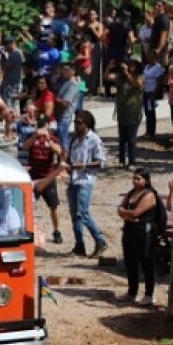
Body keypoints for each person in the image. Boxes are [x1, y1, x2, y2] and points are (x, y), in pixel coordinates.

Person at [116, 168, 161, 306]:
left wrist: (127, 213)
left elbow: (136, 213)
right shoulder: (131, 193)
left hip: (144, 232)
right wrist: (126, 213)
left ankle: (149, 294)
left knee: (146, 262)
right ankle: (132, 292)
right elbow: (120, 209)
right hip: (130, 230)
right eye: (134, 178)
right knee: (130, 261)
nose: (135, 181)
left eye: (138, 179)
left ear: (146, 180)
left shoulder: (149, 195)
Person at [66, 110, 107, 258]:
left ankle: (100, 240)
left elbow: (101, 162)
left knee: (83, 212)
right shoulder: (73, 140)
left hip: (86, 180)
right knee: (74, 215)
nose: (76, 125)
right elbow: (69, 158)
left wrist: (83, 165)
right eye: (75, 122)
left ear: (87, 123)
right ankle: (79, 245)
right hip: (73, 179)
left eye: (79, 122)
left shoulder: (94, 139)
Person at [23, 115, 63, 244]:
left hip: (48, 176)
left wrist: (48, 141)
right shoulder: (32, 137)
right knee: (28, 206)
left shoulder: (52, 138)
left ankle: (57, 231)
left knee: (53, 206)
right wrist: (35, 136)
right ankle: (27, 229)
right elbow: (25, 147)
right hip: (33, 176)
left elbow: (59, 151)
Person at [104, 58, 142, 168]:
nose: (129, 66)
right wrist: (109, 67)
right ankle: (121, 160)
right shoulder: (120, 77)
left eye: (132, 65)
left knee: (131, 139)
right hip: (122, 111)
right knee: (122, 138)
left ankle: (132, 161)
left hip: (133, 112)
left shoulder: (140, 77)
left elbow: (137, 85)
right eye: (128, 64)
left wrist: (126, 73)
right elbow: (107, 76)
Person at [53, 63, 79, 149]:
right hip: (59, 116)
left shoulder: (72, 84)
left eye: (67, 70)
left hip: (64, 117)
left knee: (63, 141)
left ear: (73, 71)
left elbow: (65, 103)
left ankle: (64, 160)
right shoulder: (63, 81)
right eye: (63, 70)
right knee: (60, 140)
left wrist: (53, 99)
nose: (64, 72)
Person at [141, 50, 165, 141]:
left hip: (152, 91)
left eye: (150, 56)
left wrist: (155, 93)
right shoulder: (147, 66)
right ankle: (147, 131)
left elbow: (159, 81)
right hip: (145, 91)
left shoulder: (158, 67)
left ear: (155, 57)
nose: (148, 57)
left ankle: (151, 132)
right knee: (147, 112)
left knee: (151, 112)